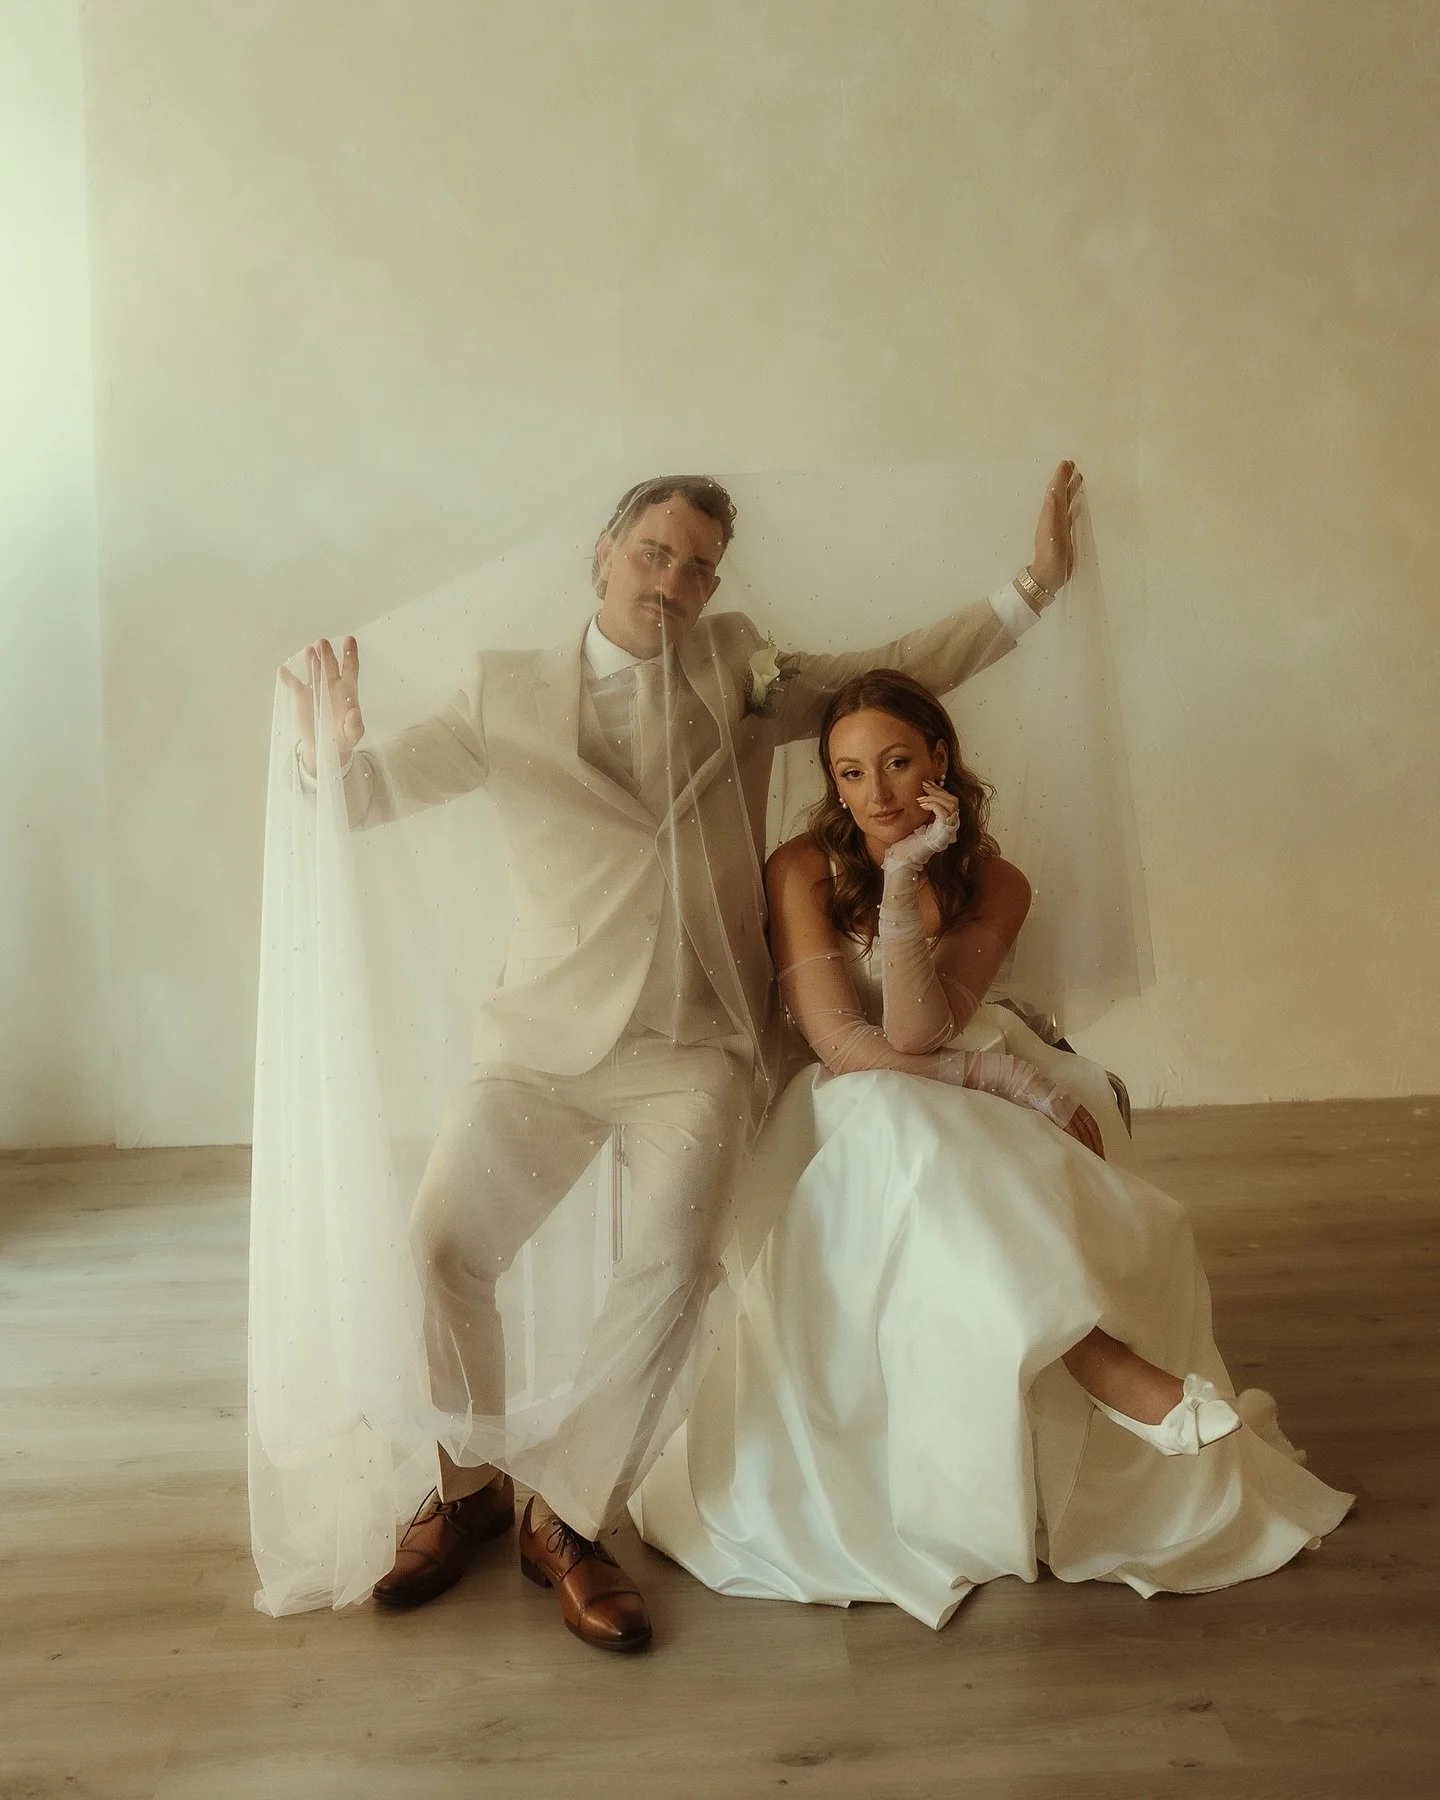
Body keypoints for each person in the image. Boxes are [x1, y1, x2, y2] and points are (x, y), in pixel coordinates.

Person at [266, 468, 1080, 1645]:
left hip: (696, 1040)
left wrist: (1032, 591)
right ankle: (465, 1490)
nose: (678, 581)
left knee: (669, 1268)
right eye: (658, 553)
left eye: (700, 565)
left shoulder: (739, 670)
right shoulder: (501, 696)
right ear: (604, 552)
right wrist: (329, 764)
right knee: (440, 1246)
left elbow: (894, 671)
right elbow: (366, 799)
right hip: (542, 1039)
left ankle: (571, 1514)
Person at [631, 671, 1353, 1628]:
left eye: (895, 763)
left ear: (940, 760)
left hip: (940, 1060)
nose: (877, 794)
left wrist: (914, 878)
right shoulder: (800, 867)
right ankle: (1101, 1363)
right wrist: (1005, 1077)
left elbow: (927, 1028)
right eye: (849, 774)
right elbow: (847, 1047)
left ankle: (1088, 1373)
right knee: (905, 1127)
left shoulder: (997, 879)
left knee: (962, 1148)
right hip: (849, 1094)